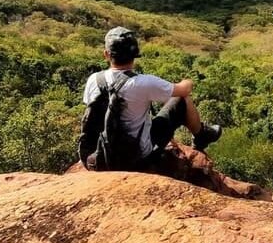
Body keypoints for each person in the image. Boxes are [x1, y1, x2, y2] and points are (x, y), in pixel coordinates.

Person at [81, 27, 222, 169]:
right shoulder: (144, 82)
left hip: (99, 156)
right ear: (135, 54)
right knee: (182, 99)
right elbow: (184, 90)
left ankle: (202, 134)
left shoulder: (94, 80)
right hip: (137, 157)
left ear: (106, 54)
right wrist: (188, 80)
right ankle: (201, 136)